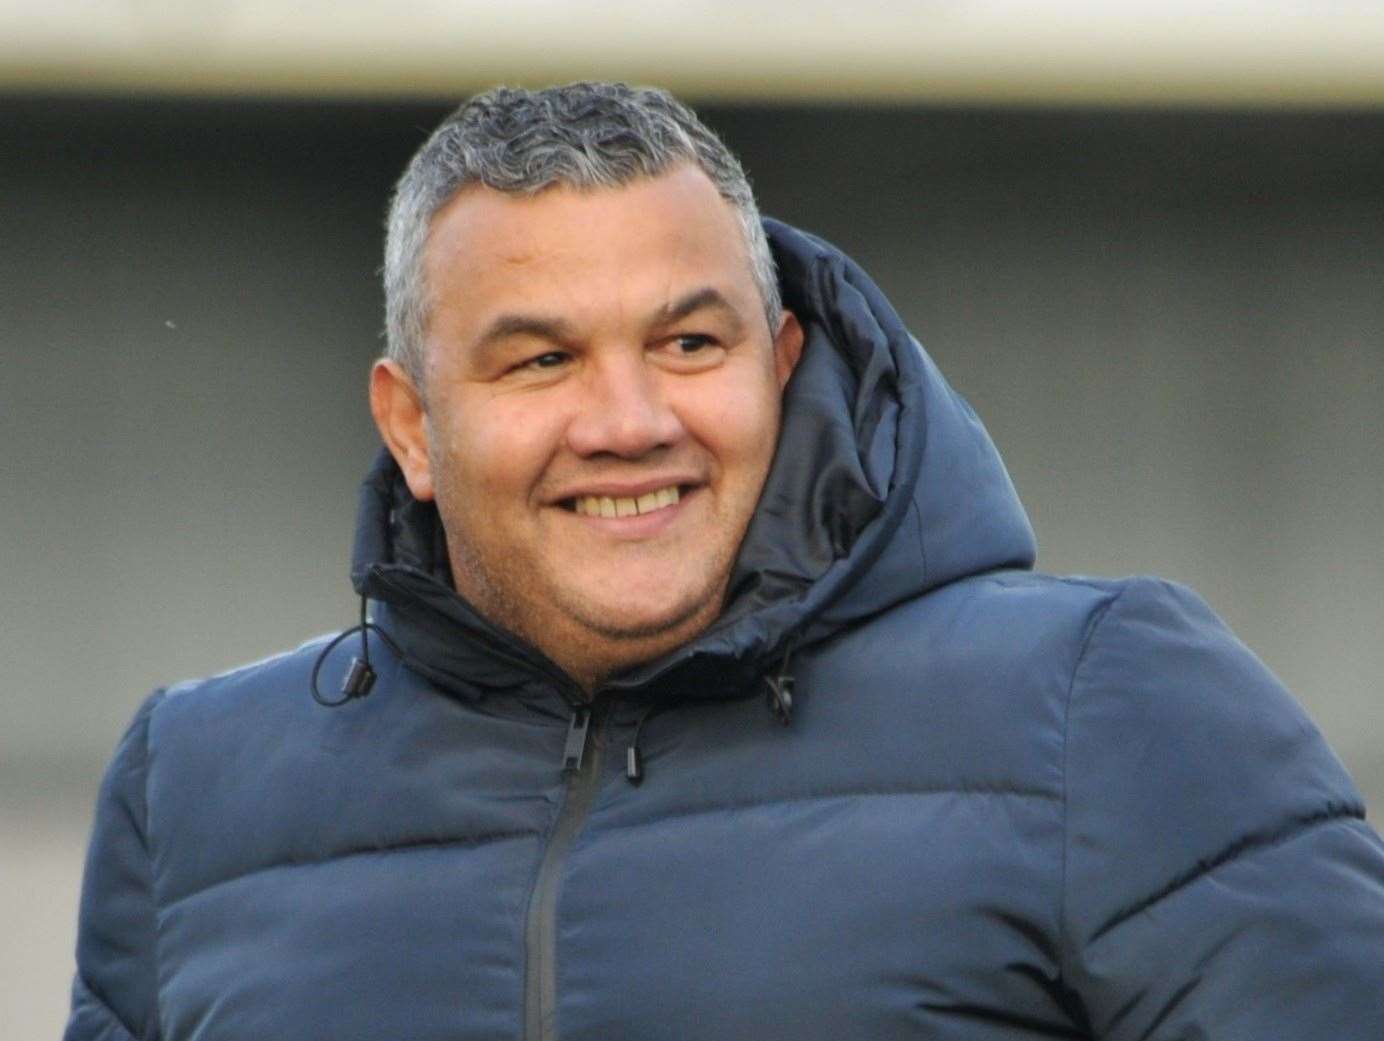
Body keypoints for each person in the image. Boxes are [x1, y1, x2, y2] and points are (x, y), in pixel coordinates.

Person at [66, 82, 1384, 1041]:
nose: (631, 422)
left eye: (690, 343)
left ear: (782, 362)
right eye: (542, 359)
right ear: (412, 424)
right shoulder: (195, 793)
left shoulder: (1100, 705)